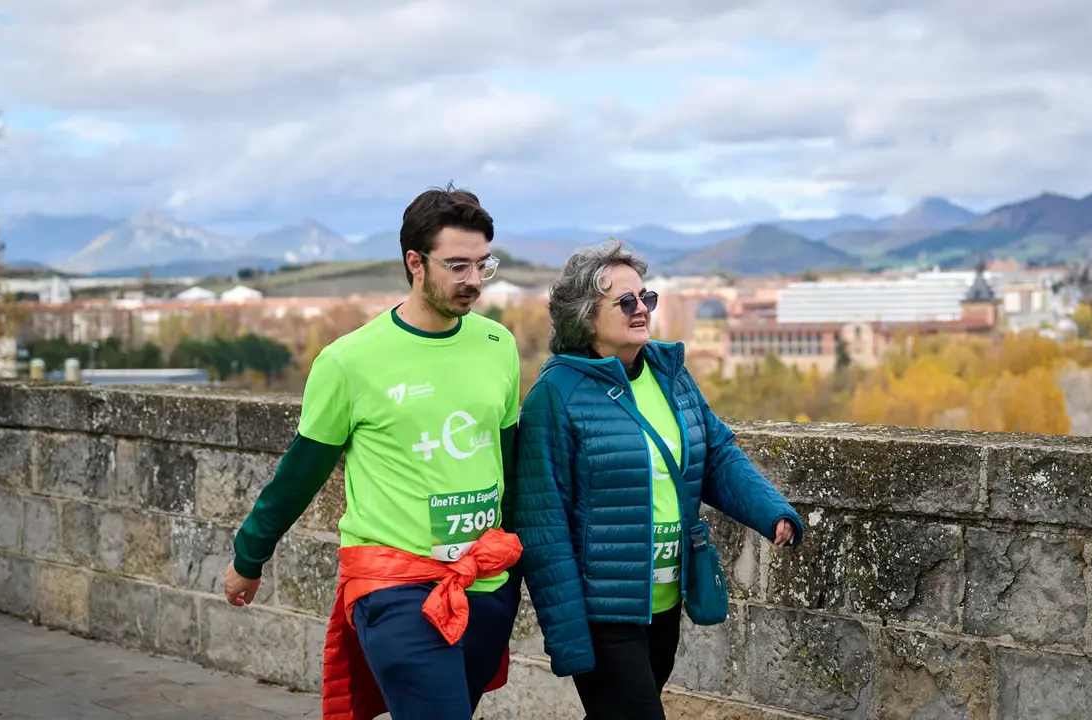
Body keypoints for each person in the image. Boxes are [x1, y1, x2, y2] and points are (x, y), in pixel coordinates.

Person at [223, 185, 524, 720]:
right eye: (457, 266)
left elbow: (511, 465)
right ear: (415, 262)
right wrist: (250, 555)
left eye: (484, 265)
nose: (474, 281)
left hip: (485, 585)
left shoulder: (497, 344)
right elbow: (301, 472)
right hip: (396, 586)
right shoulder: (349, 362)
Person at [512, 239, 805, 719]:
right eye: (625, 302)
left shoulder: (669, 374)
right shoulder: (556, 394)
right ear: (586, 317)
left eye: (645, 298)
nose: (640, 309)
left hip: (666, 600)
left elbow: (715, 455)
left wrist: (770, 510)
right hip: (605, 611)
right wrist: (568, 637)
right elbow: (543, 526)